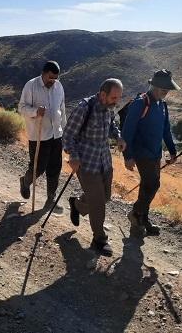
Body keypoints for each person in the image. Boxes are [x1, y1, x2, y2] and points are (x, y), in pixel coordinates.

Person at [63, 78, 126, 256]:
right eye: (114, 97)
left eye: (118, 98)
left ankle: (77, 205)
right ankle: (99, 239)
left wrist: (119, 137)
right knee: (98, 202)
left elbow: (112, 125)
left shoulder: (108, 108)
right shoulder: (85, 108)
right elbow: (67, 136)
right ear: (103, 94)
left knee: (105, 196)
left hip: (104, 161)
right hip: (87, 163)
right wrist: (73, 156)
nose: (116, 101)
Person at [121, 69, 179, 236]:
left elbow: (165, 130)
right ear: (154, 86)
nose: (166, 92)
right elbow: (127, 132)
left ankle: (140, 221)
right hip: (141, 153)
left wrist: (173, 151)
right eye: (164, 89)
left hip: (156, 153)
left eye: (168, 89)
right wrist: (128, 156)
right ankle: (135, 214)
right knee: (153, 184)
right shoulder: (140, 103)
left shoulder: (162, 105)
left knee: (147, 187)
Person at [18, 61, 66, 212]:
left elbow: (62, 108)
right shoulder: (31, 85)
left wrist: (64, 130)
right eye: (50, 78)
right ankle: (25, 182)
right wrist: (35, 111)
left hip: (56, 134)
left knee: (55, 168)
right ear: (43, 73)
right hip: (38, 136)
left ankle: (51, 199)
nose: (53, 81)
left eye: (55, 78)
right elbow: (22, 107)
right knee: (38, 168)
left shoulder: (59, 86)